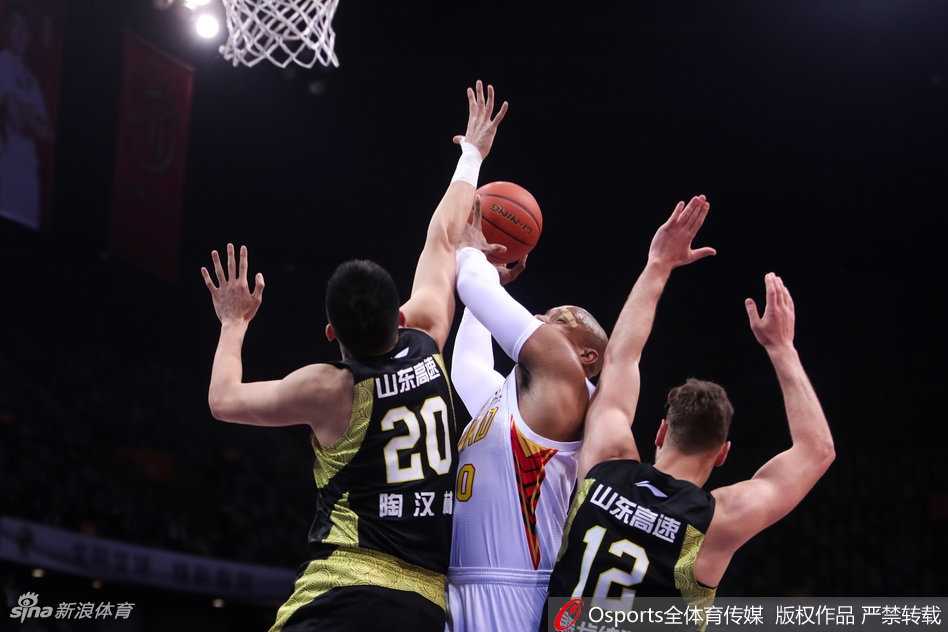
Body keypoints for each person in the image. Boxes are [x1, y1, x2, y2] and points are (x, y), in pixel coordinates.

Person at [199, 81, 508, 632]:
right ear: (399, 316)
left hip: (341, 591)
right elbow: (442, 238)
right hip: (424, 607)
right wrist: (472, 154)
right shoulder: (428, 337)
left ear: (330, 332)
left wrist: (233, 324)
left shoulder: (328, 389)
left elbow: (223, 400)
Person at [544, 197, 835, 630]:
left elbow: (622, 358)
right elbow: (817, 451)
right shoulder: (715, 524)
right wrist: (781, 348)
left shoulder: (606, 463)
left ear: (661, 432)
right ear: (722, 454)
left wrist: (657, 265)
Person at [446, 216, 609, 631]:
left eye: (559, 319)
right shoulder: (512, 398)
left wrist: (476, 255)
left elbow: (472, 284)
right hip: (460, 581)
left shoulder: (570, 385)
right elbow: (466, 366)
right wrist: (486, 285)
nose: (539, 317)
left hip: (514, 590)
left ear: (586, 356)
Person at [0, 2, 52, 230]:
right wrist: (31, 116)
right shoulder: (2, 63)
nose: (20, 33)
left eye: (24, 28)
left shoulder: (33, 81)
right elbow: (15, 117)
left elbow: (47, 133)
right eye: (15, 26)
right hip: (6, 173)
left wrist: (26, 112)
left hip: (28, 178)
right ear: (7, 30)